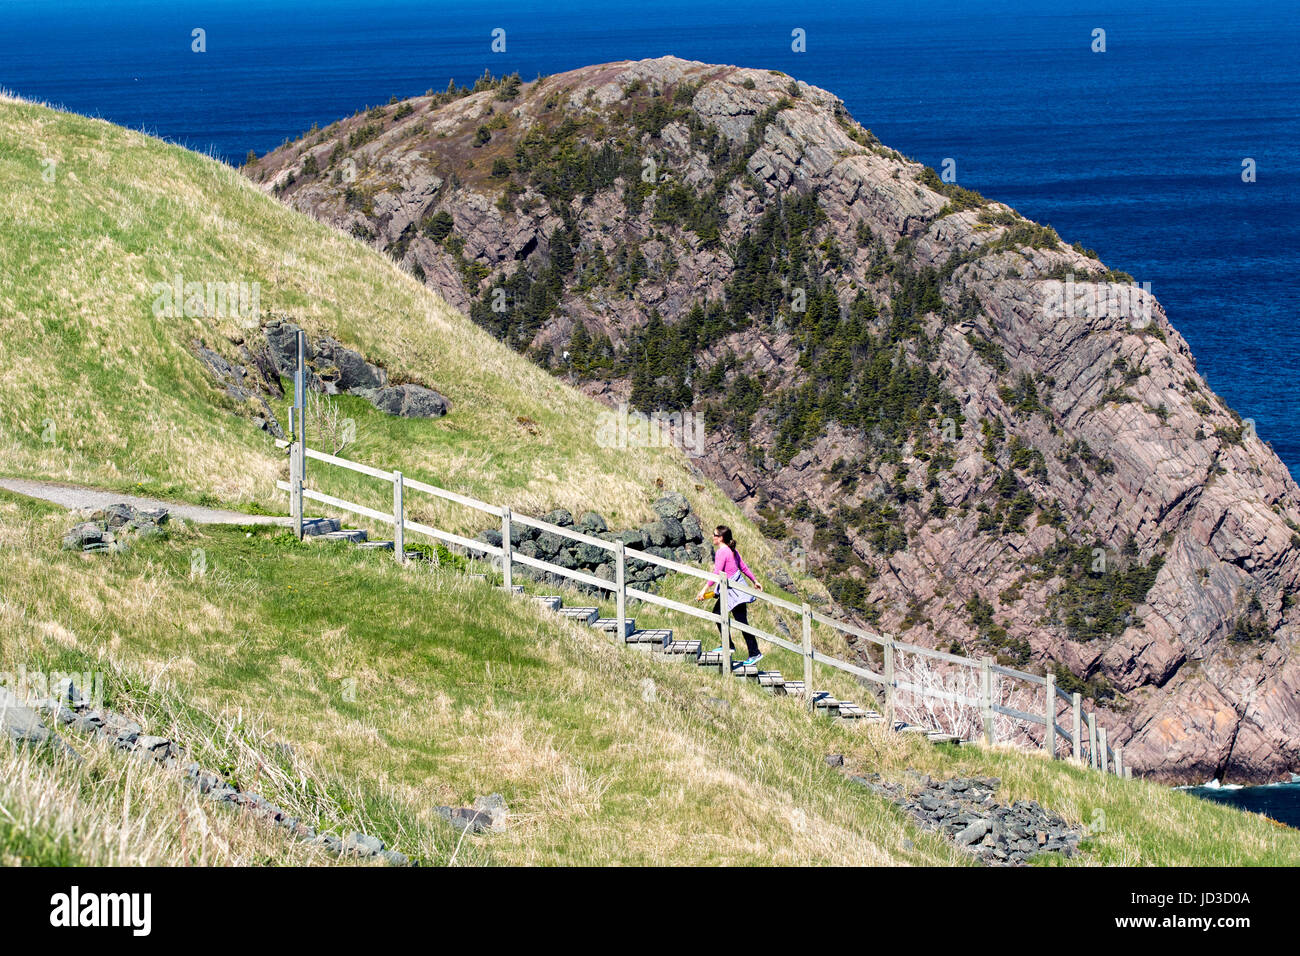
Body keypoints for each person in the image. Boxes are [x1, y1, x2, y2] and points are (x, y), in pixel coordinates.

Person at [705, 525, 763, 666]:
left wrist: (704, 589)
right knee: (738, 620)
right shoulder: (732, 550)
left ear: (721, 538)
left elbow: (717, 572)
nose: (712, 536)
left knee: (723, 615)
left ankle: (743, 649)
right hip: (737, 590)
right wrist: (754, 580)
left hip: (732, 592)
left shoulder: (722, 552)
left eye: (715, 534)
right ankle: (745, 650)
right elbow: (743, 567)